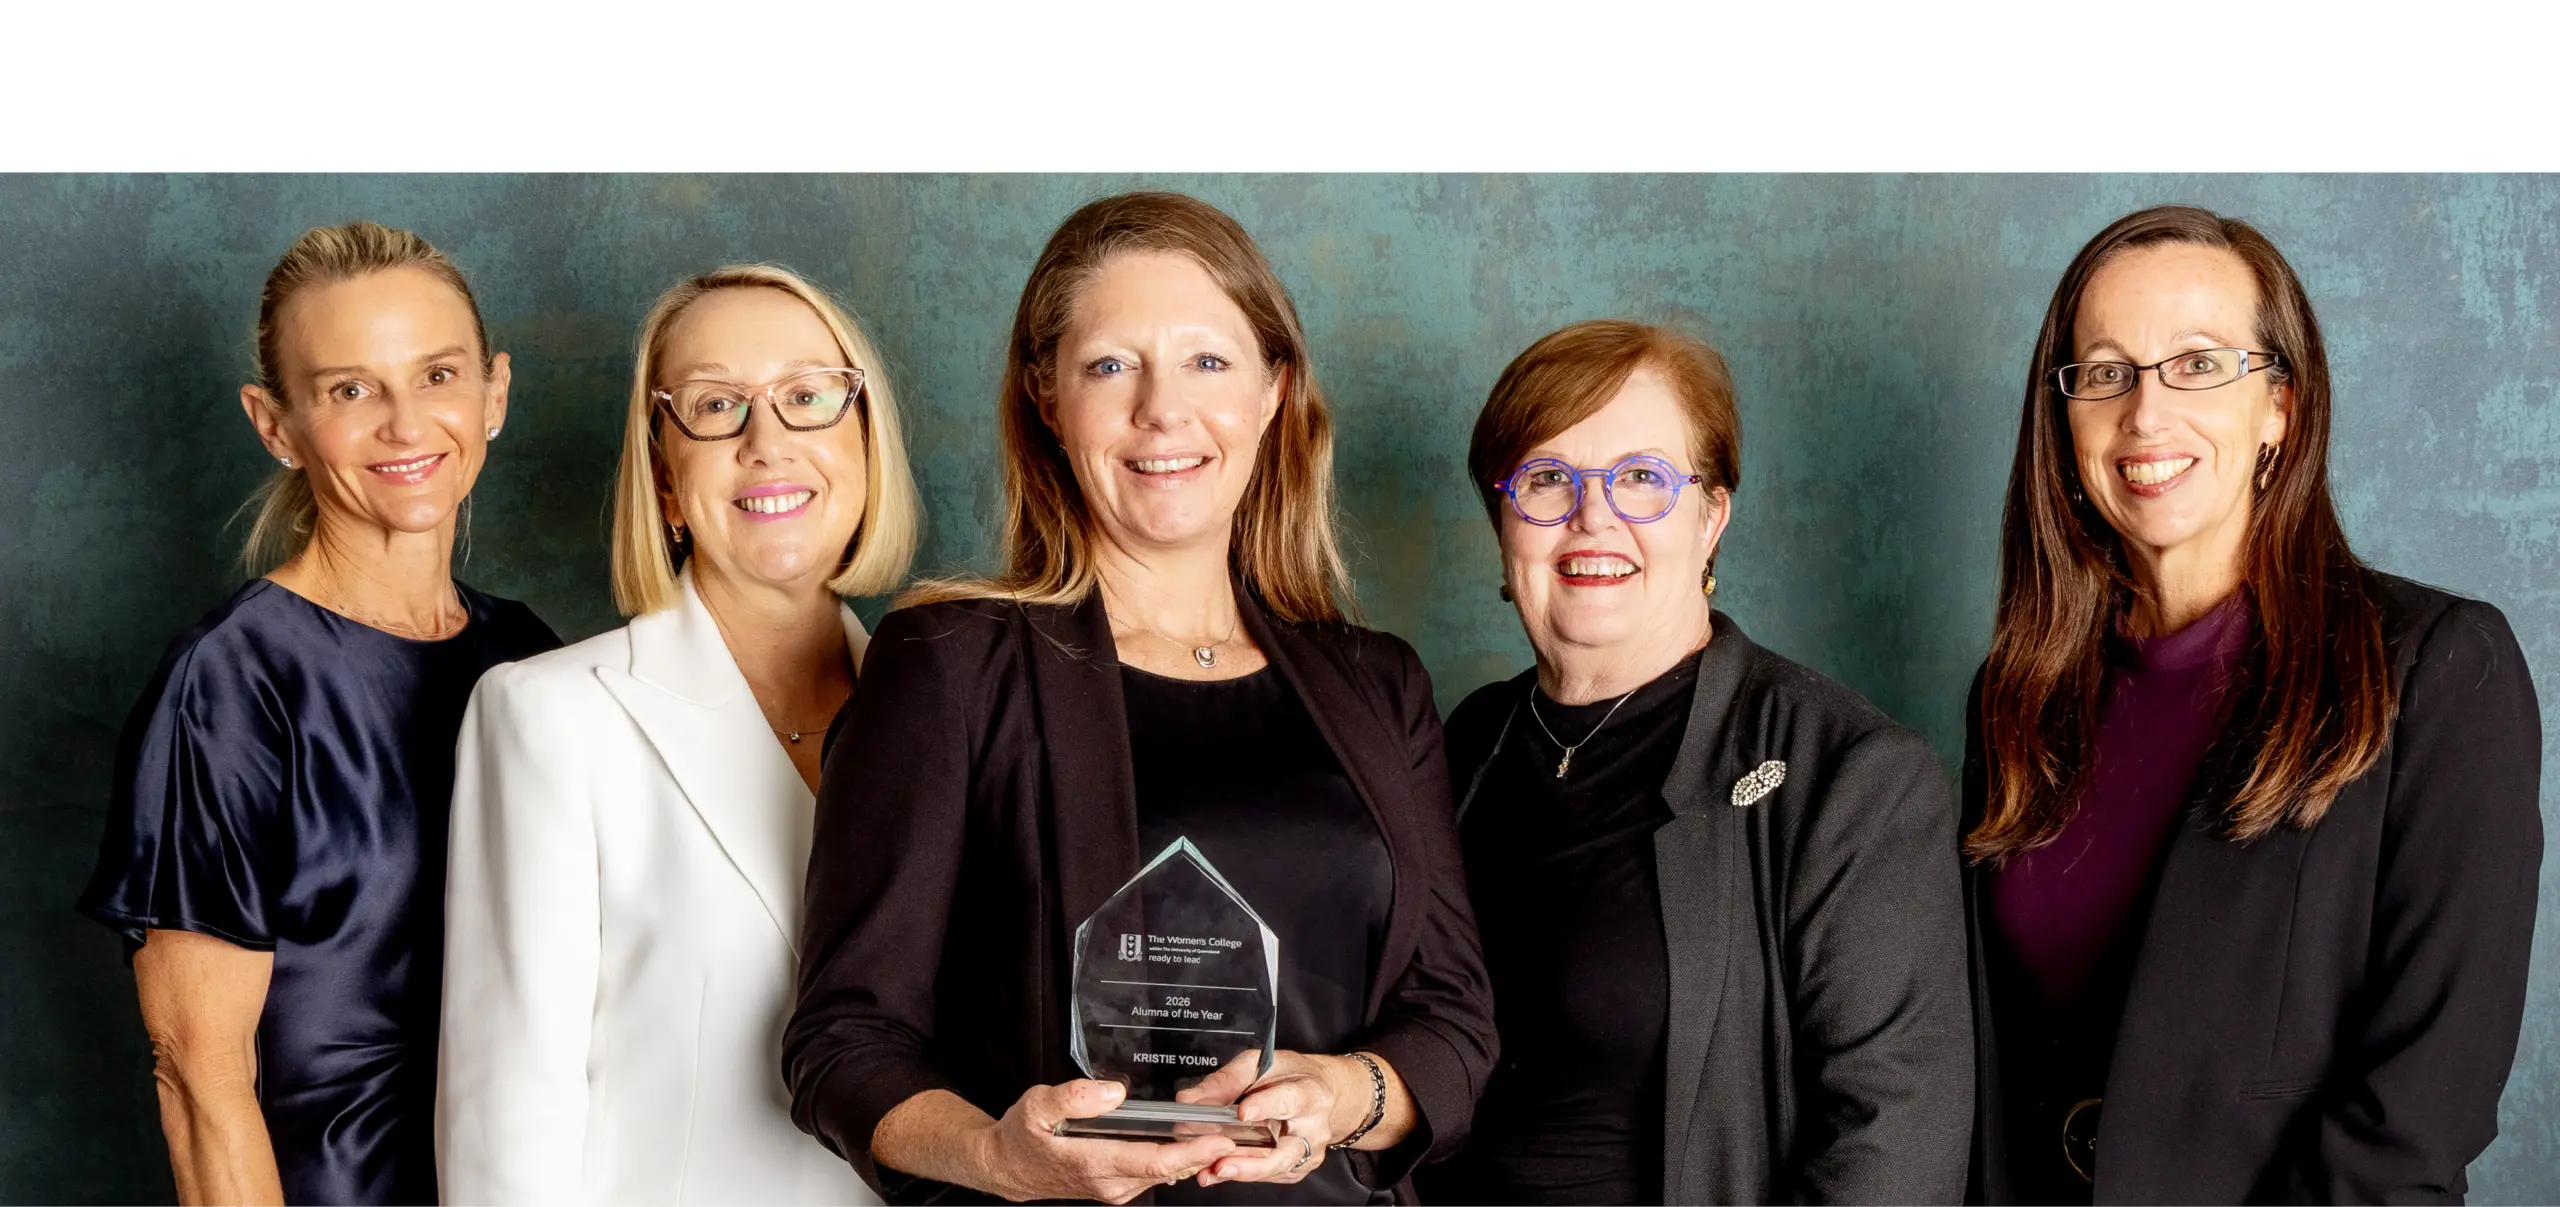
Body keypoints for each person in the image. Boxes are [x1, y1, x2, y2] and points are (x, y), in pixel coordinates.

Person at [784, 191, 1497, 1206]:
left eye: (1208, 361)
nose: (1162, 408)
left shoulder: (1376, 684)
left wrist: (1342, 1093)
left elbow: (1455, 1025)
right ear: (1047, 397)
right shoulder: (946, 663)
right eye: (1110, 364)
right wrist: (999, 1157)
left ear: (1272, 389)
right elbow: (842, 1042)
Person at [1964, 205, 2543, 1203]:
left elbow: (2422, 1106)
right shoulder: (2017, 694)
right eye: (2105, 371)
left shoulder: (2439, 668)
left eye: (2197, 364)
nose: (2144, 414)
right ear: (2061, 416)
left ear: (2280, 401)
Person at [1423, 320, 1973, 1205]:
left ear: (1713, 516)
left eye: (1643, 478)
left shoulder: (1852, 776)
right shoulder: (1465, 742)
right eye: (1548, 479)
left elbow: (1892, 1150)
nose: (1592, 516)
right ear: (1503, 520)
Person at [76, 221, 558, 1206]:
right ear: (276, 423)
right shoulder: (233, 682)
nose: (405, 425)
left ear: (494, 392)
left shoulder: (530, 659)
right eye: (350, 389)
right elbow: (199, 1078)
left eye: (436, 376)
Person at [436, 264, 921, 1204]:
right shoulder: (551, 716)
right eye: (713, 405)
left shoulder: (955, 718)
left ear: (864, 442)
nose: (767, 441)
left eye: (808, 396)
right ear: (663, 476)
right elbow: (509, 1126)